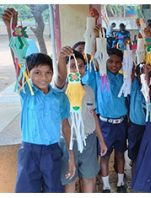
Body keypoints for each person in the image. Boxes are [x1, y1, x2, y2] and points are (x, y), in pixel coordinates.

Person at [3, 8, 76, 193]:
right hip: (29, 152)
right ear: (29, 74)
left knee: (53, 191)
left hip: (52, 152)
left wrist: (71, 155)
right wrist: (10, 28)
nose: (43, 78)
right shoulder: (27, 93)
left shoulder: (58, 97)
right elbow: (19, 61)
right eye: (37, 73)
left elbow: (66, 126)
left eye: (47, 73)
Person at [55, 48, 107, 192]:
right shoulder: (62, 90)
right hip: (68, 143)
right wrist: (61, 58)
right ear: (66, 69)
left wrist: (101, 140)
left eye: (81, 66)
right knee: (70, 179)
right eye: (72, 66)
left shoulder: (89, 90)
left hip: (89, 140)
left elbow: (93, 116)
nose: (78, 70)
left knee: (89, 177)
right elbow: (60, 78)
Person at [95, 48, 128, 193]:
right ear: (105, 62)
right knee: (105, 155)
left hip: (121, 123)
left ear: (122, 64)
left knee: (120, 154)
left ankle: (121, 183)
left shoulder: (124, 79)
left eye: (117, 62)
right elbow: (94, 60)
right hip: (105, 124)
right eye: (110, 61)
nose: (114, 65)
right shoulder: (99, 77)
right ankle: (106, 186)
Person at [127, 64, 146, 180]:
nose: (142, 76)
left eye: (144, 73)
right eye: (140, 73)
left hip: (147, 127)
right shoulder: (134, 86)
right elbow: (131, 77)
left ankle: (142, 178)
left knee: (144, 154)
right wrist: (132, 69)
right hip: (135, 127)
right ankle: (135, 180)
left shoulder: (150, 87)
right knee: (134, 156)